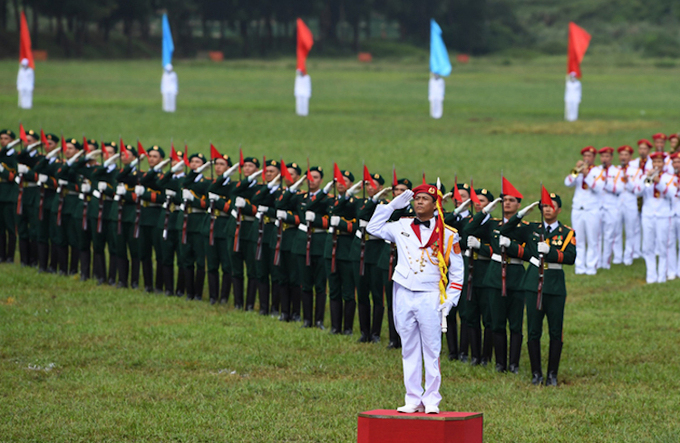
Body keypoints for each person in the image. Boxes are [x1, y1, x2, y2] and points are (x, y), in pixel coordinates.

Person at [367, 184, 463, 414]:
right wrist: (391, 206)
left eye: (425, 199)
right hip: (404, 291)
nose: (419, 202)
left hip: (430, 294)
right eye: (417, 198)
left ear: (435, 204)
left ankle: (431, 399)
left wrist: (450, 300)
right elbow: (373, 227)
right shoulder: (401, 225)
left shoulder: (448, 233)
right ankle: (412, 397)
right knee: (408, 347)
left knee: (432, 348)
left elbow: (457, 272)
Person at [499, 193, 576, 386]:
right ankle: (536, 374)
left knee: (555, 331)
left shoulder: (567, 233)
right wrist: (520, 215)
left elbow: (570, 257)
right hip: (533, 283)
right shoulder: (532, 228)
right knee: (533, 330)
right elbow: (505, 231)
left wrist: (552, 252)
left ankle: (552, 375)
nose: (547, 209)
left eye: (552, 206)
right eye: (545, 206)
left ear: (559, 210)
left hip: (555, 285)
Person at [465, 191, 527, 373]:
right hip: (494, 277)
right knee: (497, 322)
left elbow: (528, 252)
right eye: (504, 200)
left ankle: (513, 364)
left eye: (511, 201)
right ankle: (500, 363)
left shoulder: (525, 227)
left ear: (518, 205)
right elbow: (468, 229)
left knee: (515, 324)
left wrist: (511, 246)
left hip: (516, 276)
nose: (507, 203)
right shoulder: (493, 224)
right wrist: (485, 212)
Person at [324, 170, 359, 335]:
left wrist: (342, 224)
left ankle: (348, 328)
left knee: (348, 290)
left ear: (351, 184)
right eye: (338, 181)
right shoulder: (330, 200)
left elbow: (357, 225)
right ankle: (335, 326)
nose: (340, 183)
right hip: (331, 247)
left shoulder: (355, 202)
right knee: (334, 288)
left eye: (345, 181)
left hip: (346, 248)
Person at [634, 151, 676, 284]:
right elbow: (637, 191)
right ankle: (651, 276)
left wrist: (659, 183)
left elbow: (672, 194)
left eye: (659, 162)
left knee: (663, 246)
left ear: (664, 164)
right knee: (648, 246)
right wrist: (646, 179)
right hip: (648, 214)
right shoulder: (645, 176)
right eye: (655, 162)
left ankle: (662, 276)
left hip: (663, 215)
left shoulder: (670, 177)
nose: (657, 165)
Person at [564, 146, 603, 275]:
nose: (586, 158)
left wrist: (587, 176)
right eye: (585, 156)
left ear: (594, 157)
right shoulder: (579, 171)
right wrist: (576, 172)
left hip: (592, 209)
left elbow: (598, 188)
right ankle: (579, 267)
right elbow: (567, 183)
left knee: (592, 240)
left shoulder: (598, 171)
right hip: (578, 209)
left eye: (589, 156)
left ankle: (591, 267)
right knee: (578, 239)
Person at [613, 145, 641, 266]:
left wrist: (628, 181)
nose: (623, 157)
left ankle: (628, 256)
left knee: (630, 231)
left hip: (630, 202)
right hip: (618, 202)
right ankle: (617, 256)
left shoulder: (636, 171)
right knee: (616, 230)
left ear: (630, 157)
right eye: (621, 155)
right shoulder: (615, 170)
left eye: (626, 155)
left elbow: (637, 189)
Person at [597, 147, 622, 269]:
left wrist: (606, 183)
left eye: (607, 156)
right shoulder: (596, 170)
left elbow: (619, 189)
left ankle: (605, 262)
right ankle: (597, 261)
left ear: (611, 158)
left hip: (611, 206)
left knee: (609, 236)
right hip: (597, 206)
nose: (604, 159)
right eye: (603, 156)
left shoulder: (617, 171)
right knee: (597, 236)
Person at [0, 129, 18, 262]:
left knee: (10, 226)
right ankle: (1, 255)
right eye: (1, 138)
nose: (3, 141)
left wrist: (2, 171)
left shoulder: (15, 156)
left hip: (9, 194)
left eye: (6, 138)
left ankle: (10, 256)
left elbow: (14, 176)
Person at [668, 153, 680, 280]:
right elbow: (647, 185)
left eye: (679, 162)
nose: (677, 165)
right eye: (675, 163)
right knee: (670, 243)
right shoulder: (668, 177)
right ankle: (671, 270)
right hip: (670, 214)